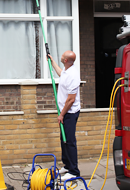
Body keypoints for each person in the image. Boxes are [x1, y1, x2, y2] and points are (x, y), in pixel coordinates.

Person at [48, 50, 81, 181]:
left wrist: (61, 115)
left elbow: (71, 100)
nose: (61, 56)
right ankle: (67, 166)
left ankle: (74, 171)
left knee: (70, 141)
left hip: (70, 113)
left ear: (66, 60)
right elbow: (61, 73)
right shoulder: (67, 71)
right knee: (64, 140)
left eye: (62, 56)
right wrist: (52, 61)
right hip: (65, 112)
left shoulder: (73, 75)